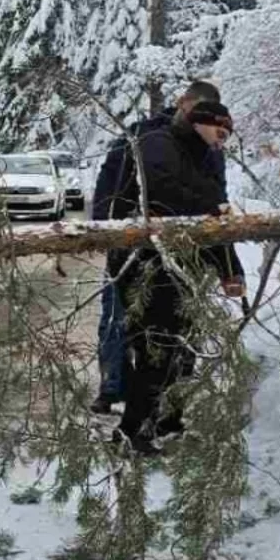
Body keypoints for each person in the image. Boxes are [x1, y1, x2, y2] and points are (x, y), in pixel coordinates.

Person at [109, 99, 245, 455]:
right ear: (200, 122)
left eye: (227, 137)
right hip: (144, 265)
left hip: (181, 268)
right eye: (220, 132)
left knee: (178, 352)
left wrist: (232, 270)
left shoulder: (204, 159)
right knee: (154, 349)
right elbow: (162, 193)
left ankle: (163, 423)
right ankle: (132, 432)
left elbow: (213, 221)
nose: (222, 142)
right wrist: (209, 206)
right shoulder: (157, 143)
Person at [88, 80, 224, 415]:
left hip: (186, 247)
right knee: (119, 315)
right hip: (132, 243)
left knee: (180, 318)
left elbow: (215, 195)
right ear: (182, 104)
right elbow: (110, 184)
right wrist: (110, 231)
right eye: (196, 110)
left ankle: (171, 393)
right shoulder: (141, 137)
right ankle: (112, 387)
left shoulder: (210, 146)